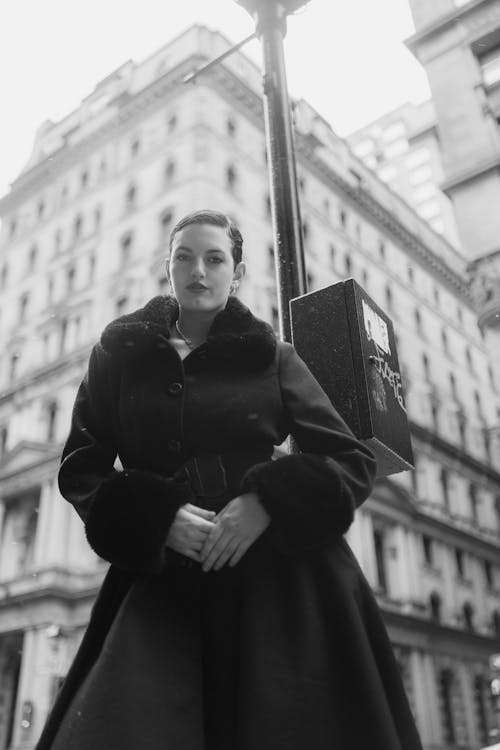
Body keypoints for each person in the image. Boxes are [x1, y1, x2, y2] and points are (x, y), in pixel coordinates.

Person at [35, 209, 423, 750]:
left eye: (215, 258)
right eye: (184, 257)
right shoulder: (117, 355)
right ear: (166, 269)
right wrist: (155, 518)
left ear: (236, 273)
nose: (199, 270)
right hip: (159, 580)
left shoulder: (274, 358)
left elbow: (349, 459)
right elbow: (82, 466)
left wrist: (267, 501)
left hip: (280, 578)